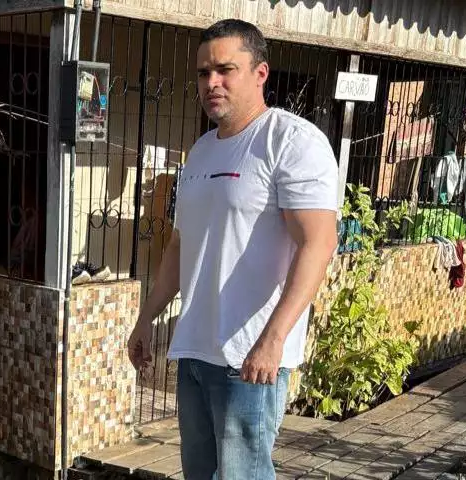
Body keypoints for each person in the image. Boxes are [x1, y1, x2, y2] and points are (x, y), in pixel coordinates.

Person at [127, 19, 339, 479]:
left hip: (249, 359)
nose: (212, 83)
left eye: (225, 70)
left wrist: (273, 340)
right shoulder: (202, 151)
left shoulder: (290, 141)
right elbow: (179, 245)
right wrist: (146, 318)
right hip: (195, 351)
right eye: (203, 73)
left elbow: (319, 243)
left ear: (260, 73)